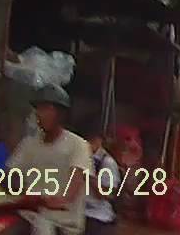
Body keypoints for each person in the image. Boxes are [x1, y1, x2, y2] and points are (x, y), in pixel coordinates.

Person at [7, 85, 93, 235]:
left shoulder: (78, 145)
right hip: (28, 214)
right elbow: (12, 174)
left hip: (61, 222)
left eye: (47, 109)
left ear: (61, 114)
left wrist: (56, 200)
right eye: (39, 109)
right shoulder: (28, 144)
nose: (41, 114)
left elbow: (74, 184)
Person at [84, 131, 121, 235]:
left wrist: (89, 175)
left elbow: (106, 194)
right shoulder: (81, 157)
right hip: (79, 213)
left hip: (98, 216)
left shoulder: (107, 162)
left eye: (91, 141)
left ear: (99, 141)